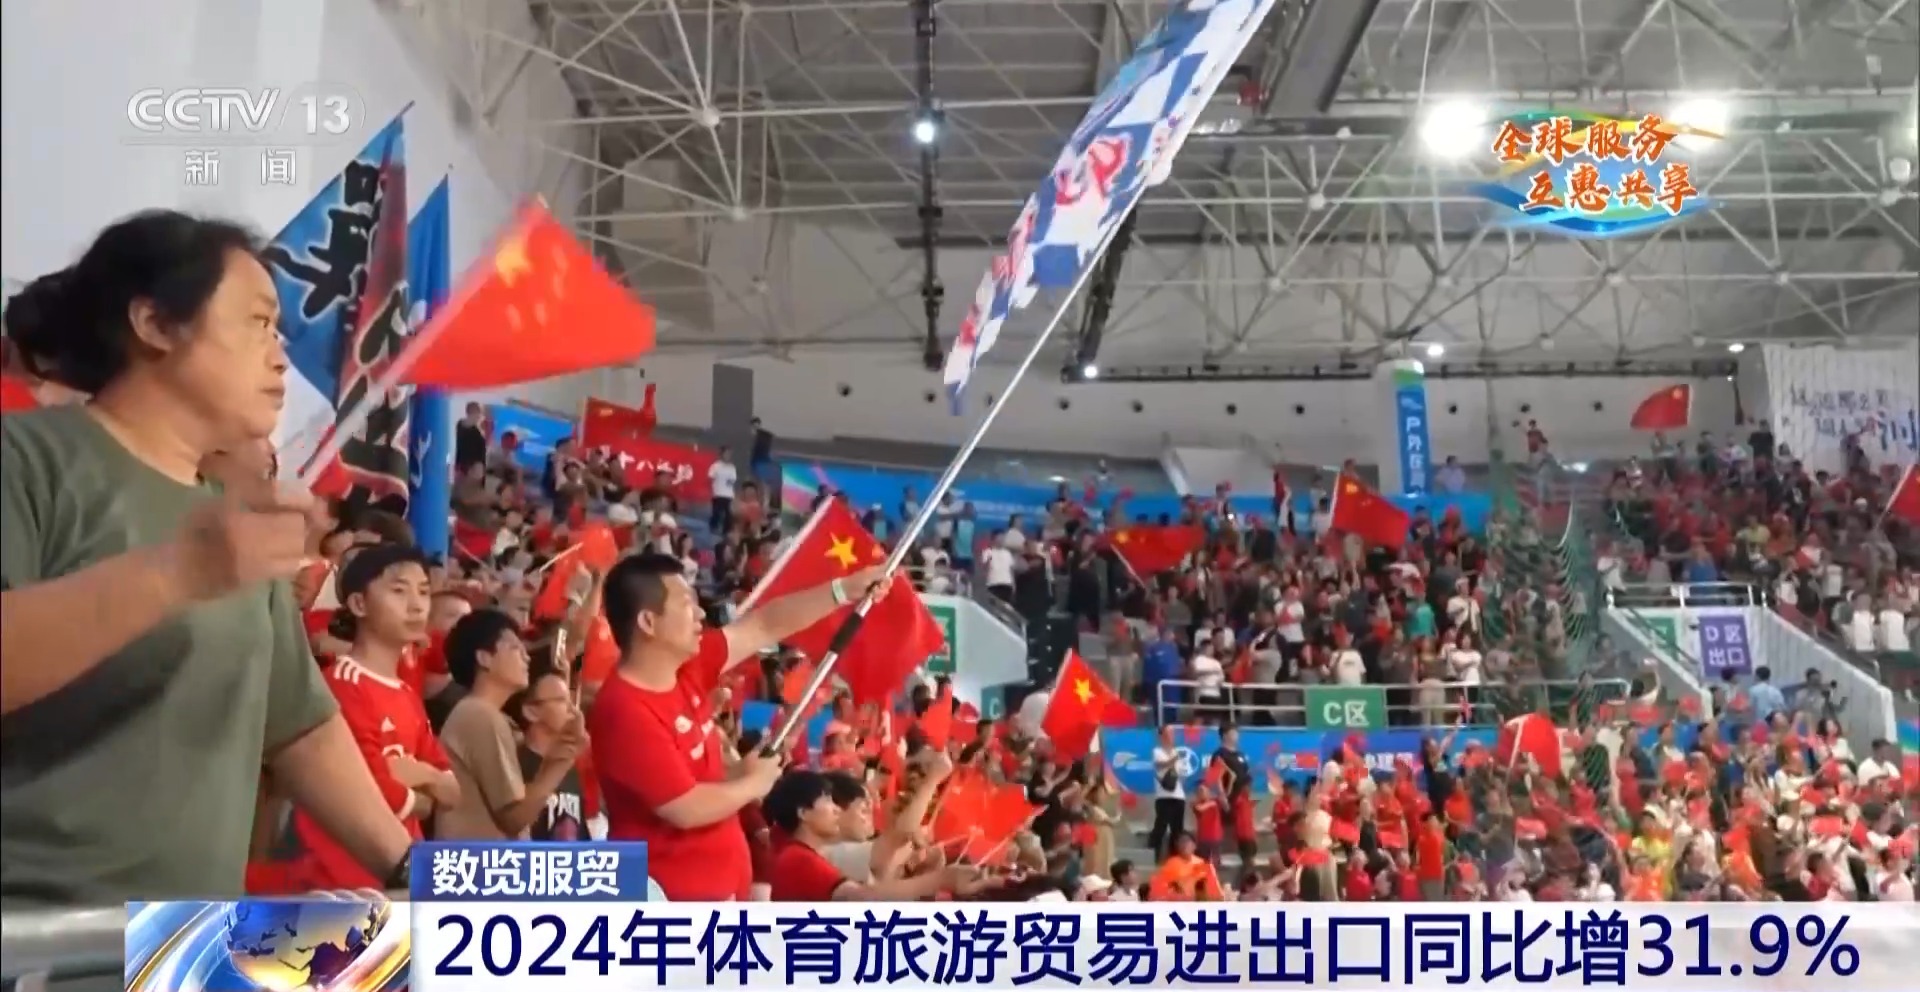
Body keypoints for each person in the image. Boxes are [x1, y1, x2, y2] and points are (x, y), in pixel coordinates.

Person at [0, 211, 411, 904]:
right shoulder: (26, 462)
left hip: (186, 941)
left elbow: (298, 725)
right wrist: (178, 573)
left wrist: (412, 868)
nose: (280, 357)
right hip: (43, 936)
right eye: (258, 323)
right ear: (155, 324)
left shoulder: (230, 518)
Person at [589, 551, 892, 901]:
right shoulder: (624, 710)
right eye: (687, 604)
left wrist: (843, 590)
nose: (701, 613)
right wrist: (753, 784)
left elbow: (765, 625)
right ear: (648, 622)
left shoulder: (689, 667)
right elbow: (684, 808)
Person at [292, 543, 459, 889]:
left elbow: (452, 791)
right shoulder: (342, 685)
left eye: (424, 592)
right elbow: (377, 794)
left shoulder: (406, 693)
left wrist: (420, 774)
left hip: (402, 878)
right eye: (399, 590)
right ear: (358, 604)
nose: (417, 605)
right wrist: (424, 794)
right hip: (343, 883)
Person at [435, 608, 585, 839]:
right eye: (515, 648)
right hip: (477, 860)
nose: (526, 657)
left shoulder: (482, 714)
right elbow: (514, 818)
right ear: (484, 658)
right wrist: (560, 761)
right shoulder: (480, 715)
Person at [761, 769, 979, 901]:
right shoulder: (798, 859)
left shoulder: (802, 855)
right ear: (803, 813)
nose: (836, 809)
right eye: (827, 801)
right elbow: (862, 897)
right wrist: (942, 879)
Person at [511, 654, 590, 842]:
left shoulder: (568, 764)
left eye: (569, 699)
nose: (571, 708)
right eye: (561, 700)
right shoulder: (516, 765)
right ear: (531, 711)